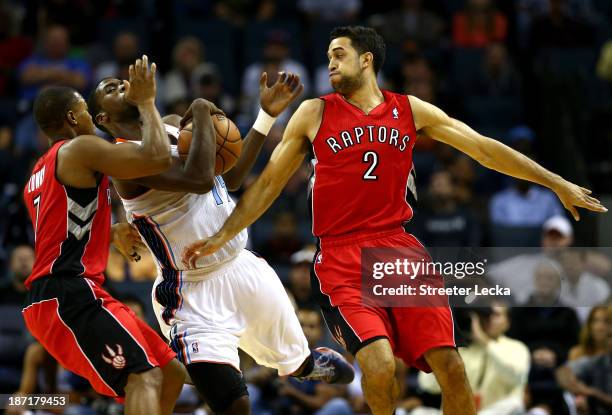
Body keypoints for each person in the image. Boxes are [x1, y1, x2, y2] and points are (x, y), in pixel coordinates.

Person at [182, 25, 607, 414]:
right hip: (341, 256)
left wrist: (556, 183)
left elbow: (484, 148)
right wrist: (224, 234)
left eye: (339, 54)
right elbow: (268, 185)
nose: (329, 63)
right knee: (381, 365)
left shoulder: (409, 109)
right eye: (328, 55)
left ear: (366, 60)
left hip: (398, 250)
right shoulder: (314, 112)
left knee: (453, 368)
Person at [88, 71, 354, 415]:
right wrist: (199, 109)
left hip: (242, 267)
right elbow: (198, 180)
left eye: (121, 81)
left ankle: (306, 366)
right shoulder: (124, 161)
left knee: (297, 360)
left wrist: (266, 116)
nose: (122, 84)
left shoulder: (171, 124)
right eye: (111, 88)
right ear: (103, 118)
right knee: (234, 406)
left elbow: (230, 178)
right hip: (191, 293)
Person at [20, 55, 185, 415]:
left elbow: (59, 232)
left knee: (170, 372)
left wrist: (108, 232)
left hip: (67, 291)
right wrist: (146, 102)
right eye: (83, 109)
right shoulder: (80, 148)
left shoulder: (39, 169)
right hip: (66, 293)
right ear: (71, 118)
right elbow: (158, 158)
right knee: (142, 377)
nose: (88, 119)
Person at [418, 301, 530, 414]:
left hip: (495, 412)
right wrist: (444, 345)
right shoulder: (460, 348)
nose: (488, 319)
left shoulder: (517, 348)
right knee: (419, 412)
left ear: (508, 322)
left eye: (495, 315)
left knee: (515, 404)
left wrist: (485, 341)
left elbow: (515, 377)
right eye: (485, 314)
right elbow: (428, 385)